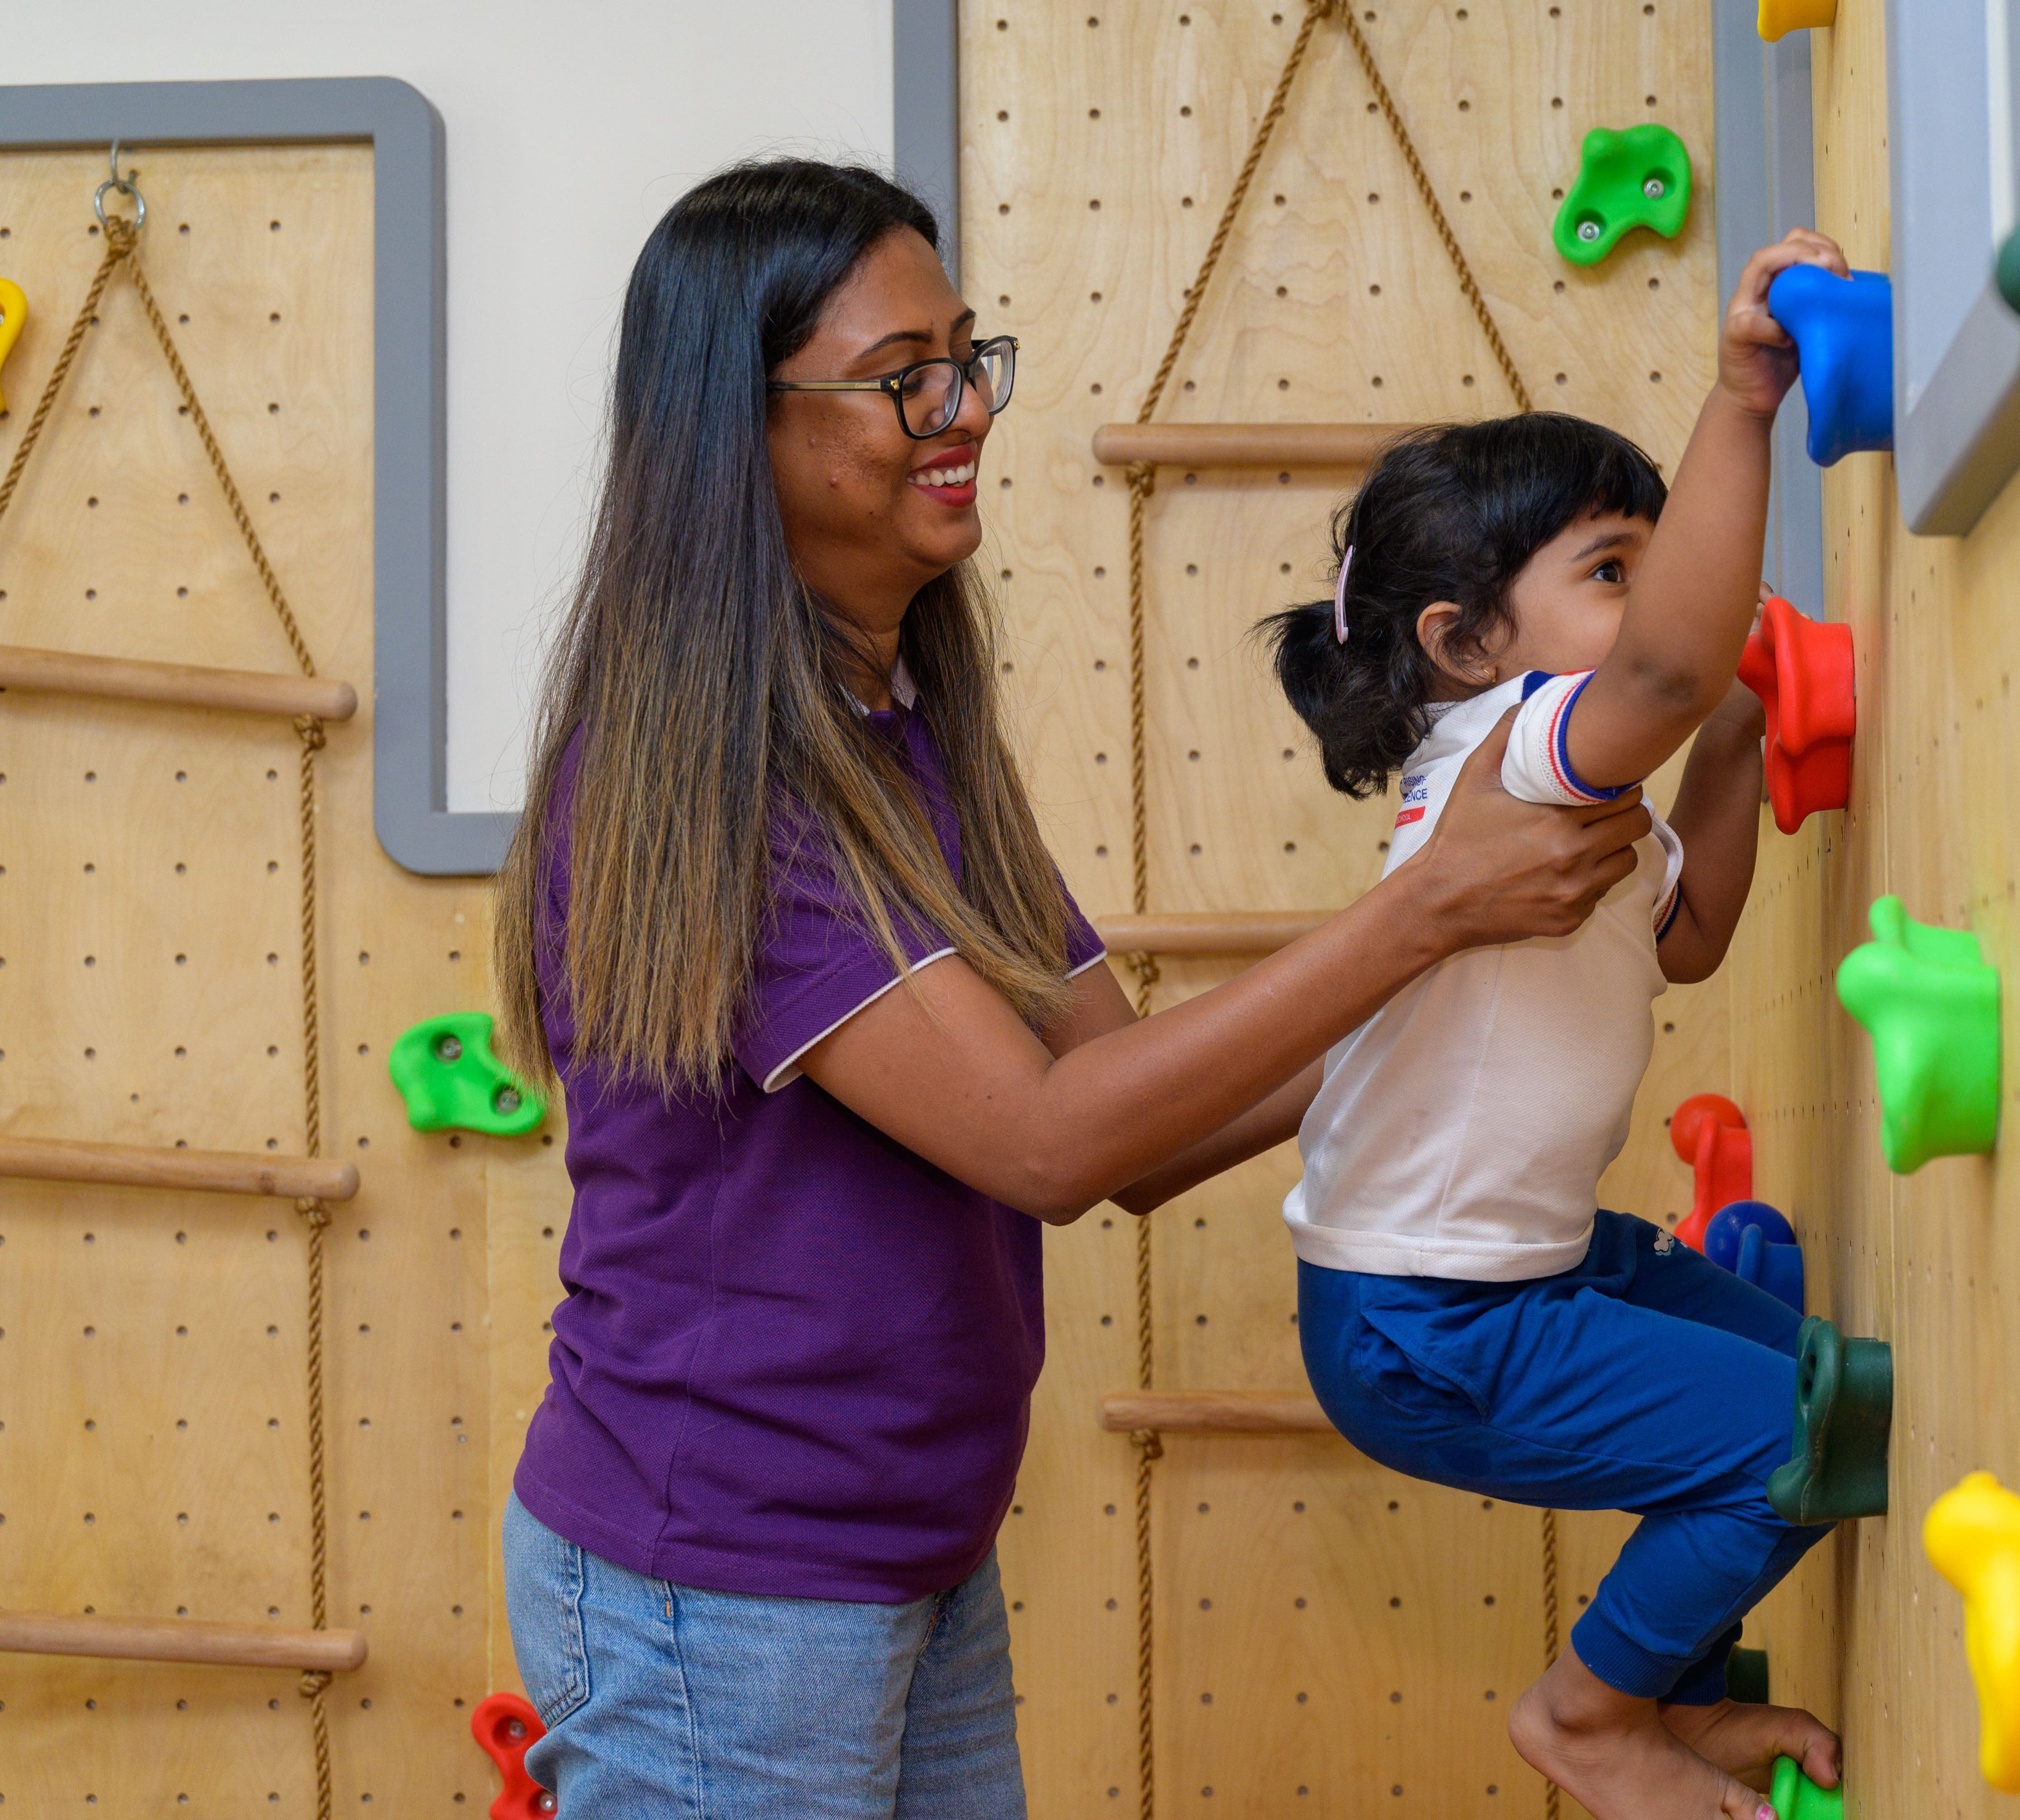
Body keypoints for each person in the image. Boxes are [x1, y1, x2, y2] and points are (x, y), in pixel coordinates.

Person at [487, 158, 1647, 1819]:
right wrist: (1423, 918)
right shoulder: (722, 790)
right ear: (737, 431)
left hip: (903, 1547)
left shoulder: (906, 734)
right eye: (905, 379)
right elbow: (1050, 1141)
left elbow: (1137, 1113)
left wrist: (1462, 965)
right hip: (722, 1592)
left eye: (966, 359)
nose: (964, 409)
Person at [1259, 231, 1854, 1820]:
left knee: (1815, 1389)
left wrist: (1732, 747)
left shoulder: (1581, 799)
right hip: (1429, 1315)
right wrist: (1741, 405)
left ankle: (1672, 1701)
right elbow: (1665, 665)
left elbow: (1692, 939)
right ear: (1470, 645)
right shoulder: (1515, 747)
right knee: (1795, 1436)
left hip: (1522, 1267)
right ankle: (1587, 1717)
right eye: (1612, 570)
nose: (1656, 597)